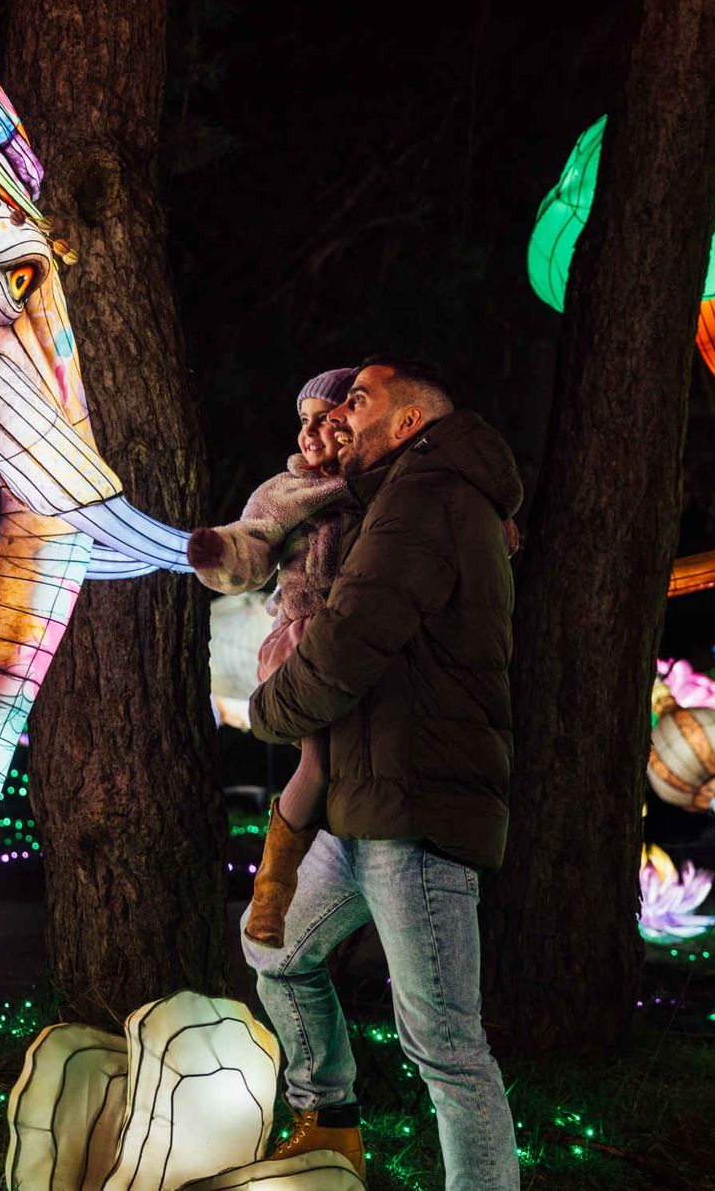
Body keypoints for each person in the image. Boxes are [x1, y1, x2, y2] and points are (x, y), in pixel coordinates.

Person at [246, 359, 523, 1190]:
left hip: (416, 811)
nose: (340, 419)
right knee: (277, 952)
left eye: (359, 402)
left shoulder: (427, 498)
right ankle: (329, 1126)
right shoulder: (406, 498)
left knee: (444, 1045)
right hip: (363, 808)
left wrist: (265, 713)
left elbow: (347, 646)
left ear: (407, 424)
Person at [188, 367, 360, 948]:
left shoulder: (386, 485)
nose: (310, 434)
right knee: (316, 760)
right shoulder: (284, 492)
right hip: (305, 643)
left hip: (368, 638)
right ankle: (273, 889)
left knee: (348, 759)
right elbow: (253, 541)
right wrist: (220, 551)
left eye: (326, 420)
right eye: (303, 422)